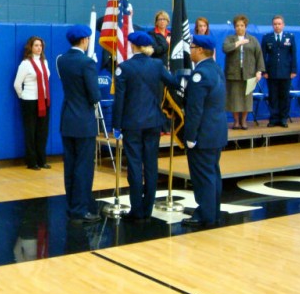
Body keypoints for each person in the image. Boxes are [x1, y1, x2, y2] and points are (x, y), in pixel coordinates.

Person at [112, 31, 181, 221]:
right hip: (153, 122)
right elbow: (174, 83)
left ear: (133, 46)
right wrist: (182, 71)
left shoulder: (124, 68)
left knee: (134, 166)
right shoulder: (157, 65)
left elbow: (120, 100)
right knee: (151, 165)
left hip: (132, 123)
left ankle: (137, 210)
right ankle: (148, 209)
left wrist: (116, 125)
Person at [182, 34, 228, 228]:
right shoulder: (216, 68)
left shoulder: (199, 75)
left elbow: (195, 109)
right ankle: (213, 210)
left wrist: (190, 136)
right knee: (213, 174)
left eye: (192, 47)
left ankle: (205, 214)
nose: (190, 51)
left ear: (200, 49)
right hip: (216, 131)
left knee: (203, 176)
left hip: (203, 134)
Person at [57, 24, 101, 224]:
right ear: (84, 40)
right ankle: (80, 209)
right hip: (83, 121)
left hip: (67, 119)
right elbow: (94, 95)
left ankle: (72, 206)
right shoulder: (87, 63)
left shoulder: (62, 60)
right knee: (84, 167)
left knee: (71, 166)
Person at [13, 35, 51, 170]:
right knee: (30, 132)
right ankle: (32, 162)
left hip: (44, 101)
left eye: (40, 45)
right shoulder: (25, 64)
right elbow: (17, 84)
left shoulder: (44, 62)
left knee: (42, 131)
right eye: (36, 45)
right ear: (30, 47)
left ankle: (42, 160)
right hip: (30, 101)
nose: (39, 48)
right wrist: (23, 96)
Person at [222, 14, 264, 130]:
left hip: (249, 74)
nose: (239, 28)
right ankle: (236, 121)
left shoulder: (253, 40)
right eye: (237, 26)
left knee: (247, 98)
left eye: (242, 25)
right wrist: (238, 43)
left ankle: (244, 121)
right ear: (234, 27)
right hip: (233, 73)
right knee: (234, 98)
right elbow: (225, 48)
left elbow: (259, 56)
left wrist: (259, 71)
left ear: (246, 26)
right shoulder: (230, 39)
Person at [261, 15, 297, 127]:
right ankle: (274, 118)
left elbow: (293, 55)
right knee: (273, 96)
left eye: (279, 23)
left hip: (285, 72)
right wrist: (263, 71)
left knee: (284, 96)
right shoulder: (267, 38)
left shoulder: (289, 37)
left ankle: (283, 118)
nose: (277, 26)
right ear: (272, 25)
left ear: (283, 25)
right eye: (275, 24)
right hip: (271, 72)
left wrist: (293, 70)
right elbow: (263, 55)